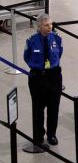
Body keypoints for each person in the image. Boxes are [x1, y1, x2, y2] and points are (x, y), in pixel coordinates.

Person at [24, 13, 63, 146]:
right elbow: (27, 56)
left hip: (54, 76)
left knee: (54, 108)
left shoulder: (57, 39)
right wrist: (36, 67)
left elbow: (59, 53)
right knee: (38, 108)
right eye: (46, 25)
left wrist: (51, 67)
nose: (50, 27)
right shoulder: (31, 40)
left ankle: (52, 134)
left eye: (51, 24)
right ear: (39, 26)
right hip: (37, 77)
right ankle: (38, 135)